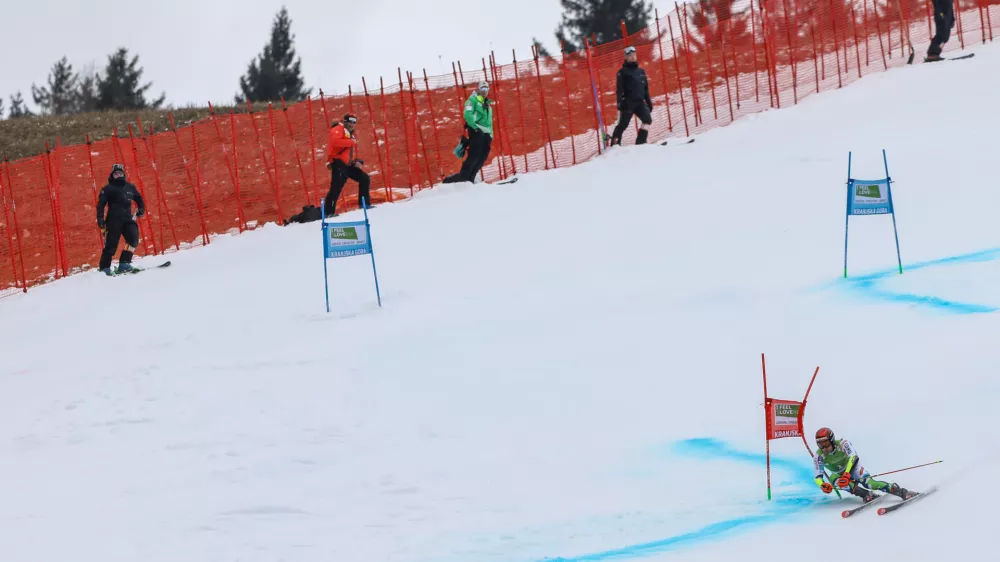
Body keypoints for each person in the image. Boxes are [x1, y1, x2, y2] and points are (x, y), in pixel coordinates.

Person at [813, 427, 917, 503]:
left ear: (831, 440)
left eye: (825, 443)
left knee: (870, 483)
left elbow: (853, 457)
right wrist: (822, 485)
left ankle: (902, 492)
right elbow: (818, 476)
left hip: (853, 468)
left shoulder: (843, 443)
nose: (824, 447)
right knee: (836, 480)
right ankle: (866, 495)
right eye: (820, 444)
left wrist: (847, 474)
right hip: (839, 475)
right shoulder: (818, 456)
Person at [96, 163, 145, 275]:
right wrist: (100, 218)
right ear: (112, 175)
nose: (118, 175)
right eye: (116, 173)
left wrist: (141, 208)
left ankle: (124, 263)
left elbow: (138, 198)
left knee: (133, 239)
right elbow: (100, 205)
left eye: (120, 173)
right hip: (113, 220)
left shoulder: (130, 187)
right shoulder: (107, 189)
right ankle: (104, 268)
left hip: (128, 219)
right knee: (111, 246)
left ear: (123, 174)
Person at [443, 81, 493, 184]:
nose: (484, 92)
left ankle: (471, 178)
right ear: (478, 90)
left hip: (486, 134)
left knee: (483, 155)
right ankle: (452, 180)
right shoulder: (472, 100)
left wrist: (491, 135)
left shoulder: (488, 105)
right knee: (475, 154)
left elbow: (490, 122)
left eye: (486, 90)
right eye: (482, 89)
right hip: (477, 131)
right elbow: (468, 114)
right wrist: (475, 128)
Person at [325, 113, 371, 216]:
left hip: (347, 164)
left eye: (354, 122)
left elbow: (345, 152)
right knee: (336, 187)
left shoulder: (349, 134)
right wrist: (351, 142)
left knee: (364, 178)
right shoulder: (338, 129)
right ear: (345, 121)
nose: (352, 124)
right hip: (337, 163)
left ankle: (364, 205)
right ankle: (329, 212)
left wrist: (355, 161)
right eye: (350, 121)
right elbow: (335, 142)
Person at [609, 45, 653, 146]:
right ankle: (615, 144)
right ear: (626, 57)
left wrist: (649, 102)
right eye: (630, 55)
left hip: (640, 102)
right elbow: (619, 89)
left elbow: (645, 89)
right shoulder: (622, 72)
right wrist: (619, 103)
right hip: (628, 103)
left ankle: (641, 142)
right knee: (623, 125)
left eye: (634, 54)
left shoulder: (641, 72)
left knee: (647, 120)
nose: (632, 57)